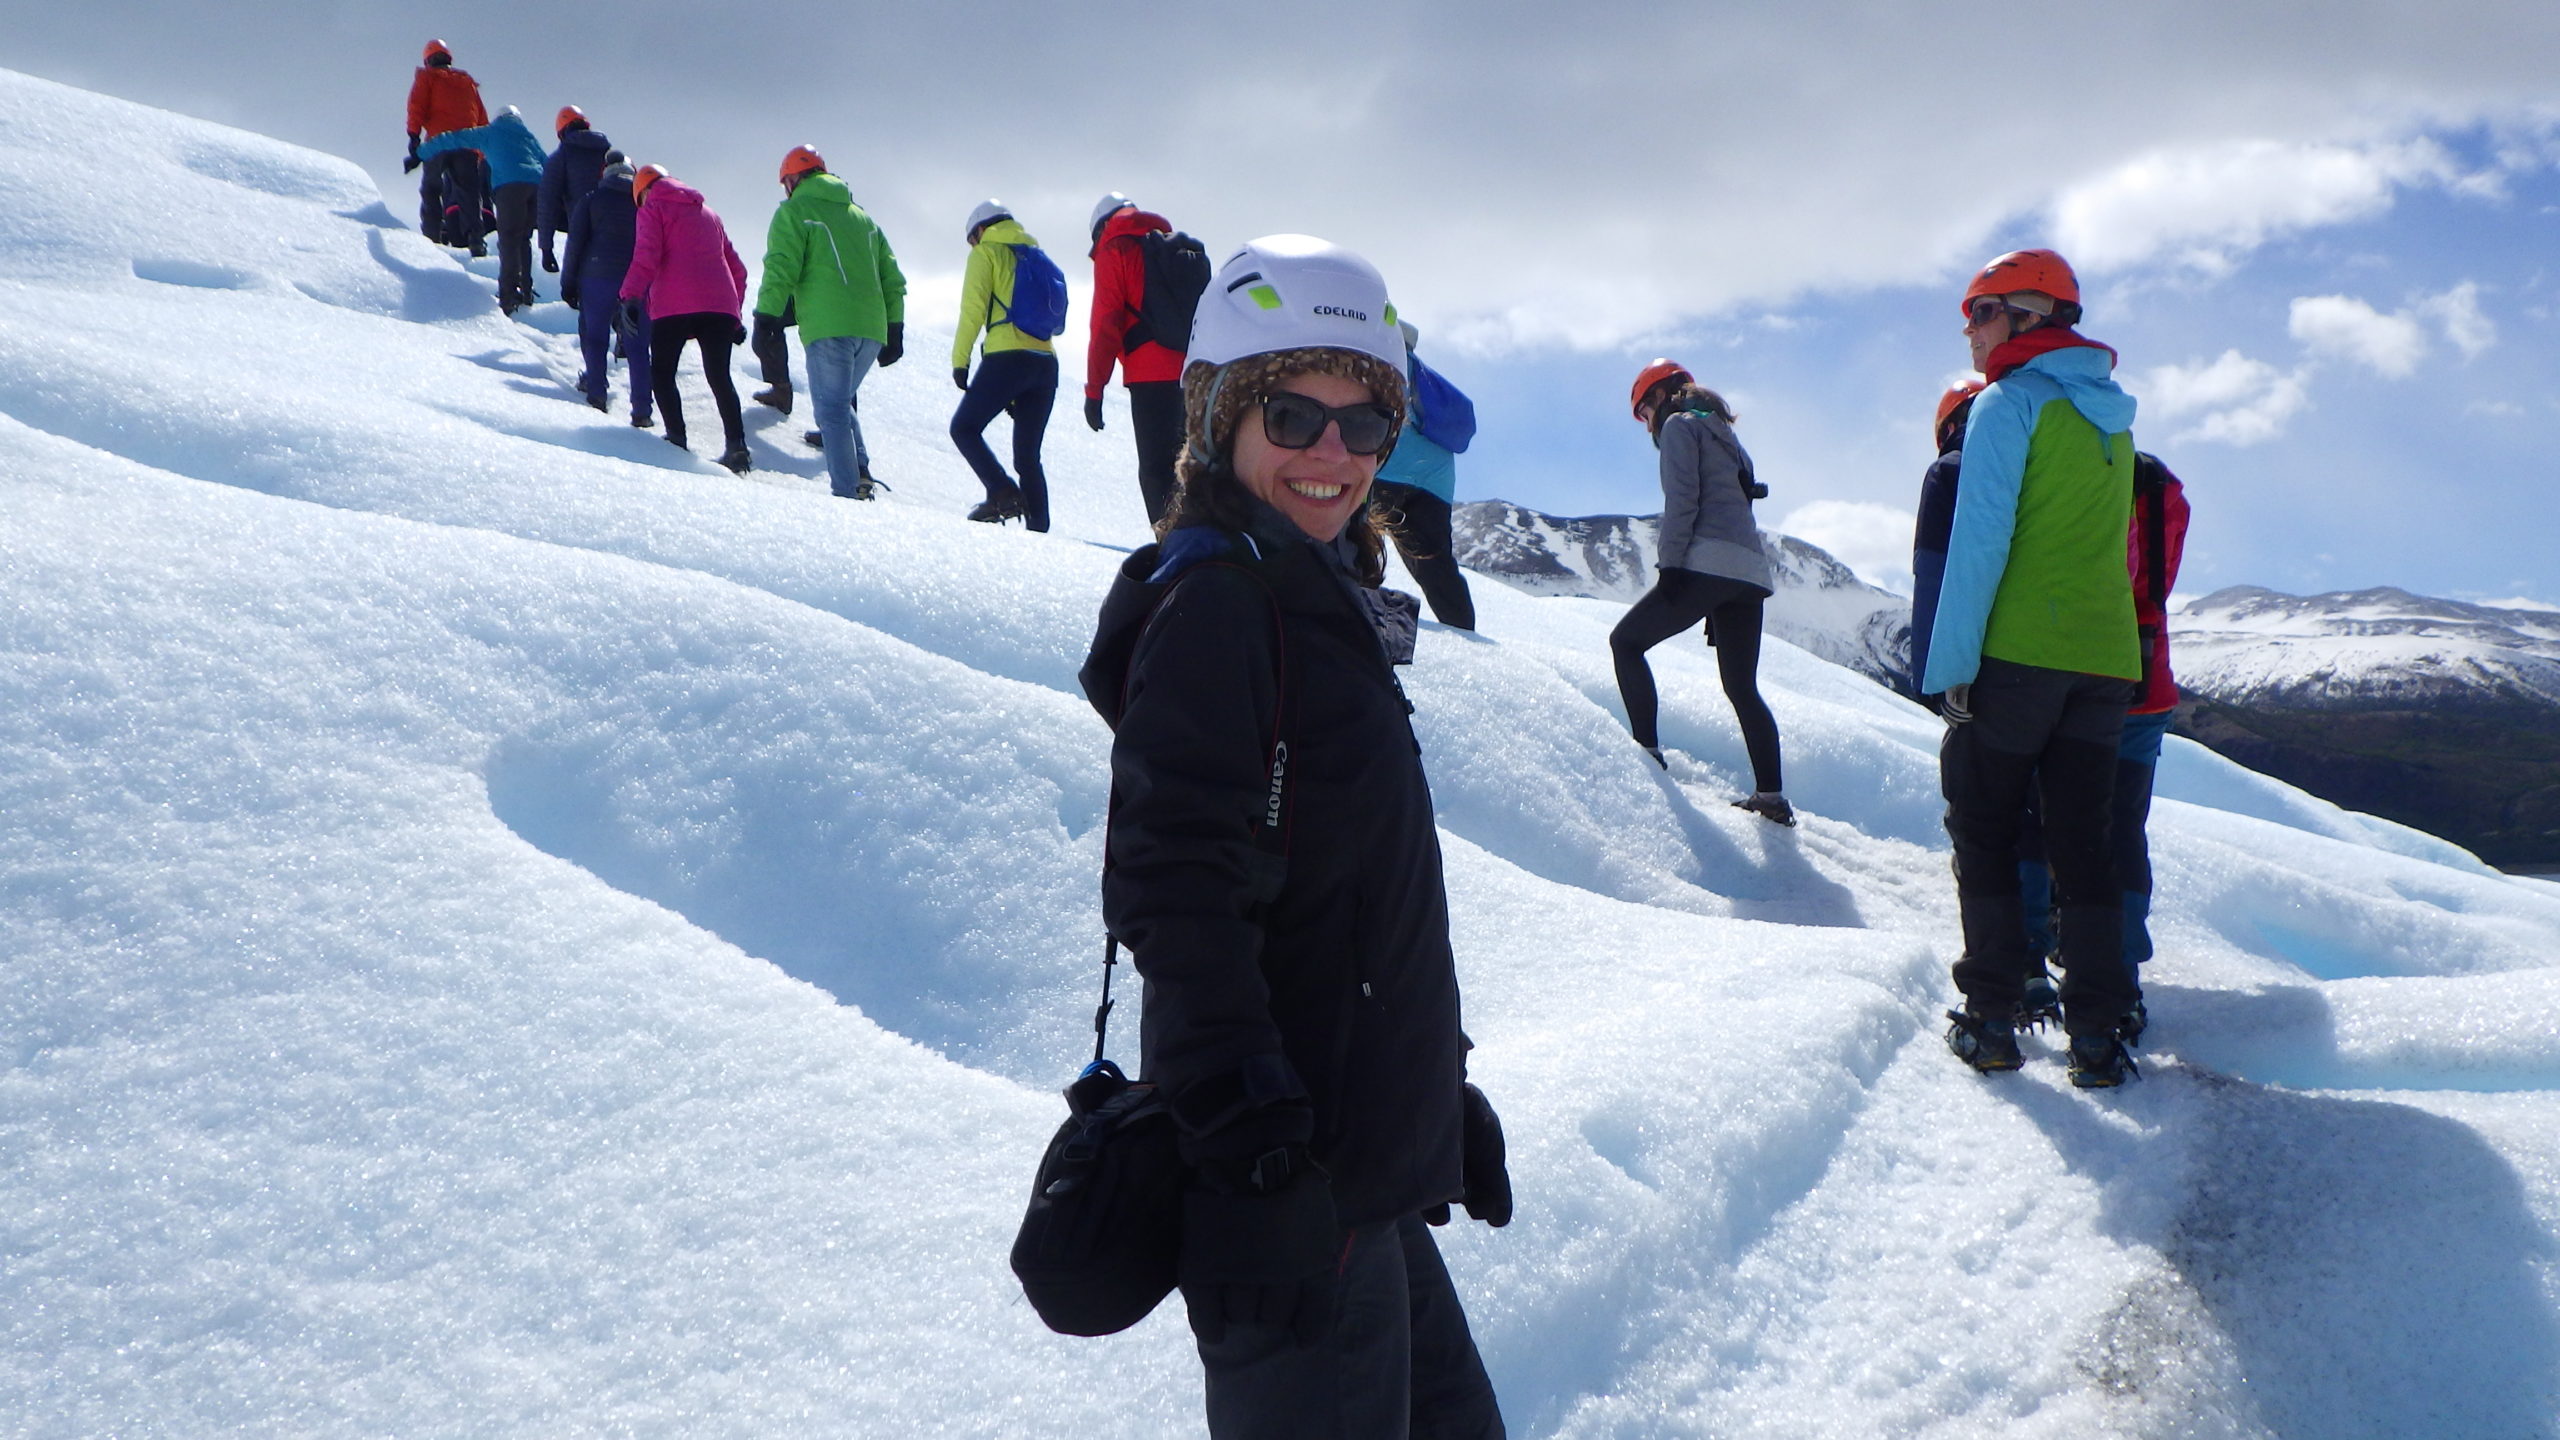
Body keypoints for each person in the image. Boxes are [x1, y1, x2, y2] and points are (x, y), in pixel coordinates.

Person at [1077, 234, 1507, 1440]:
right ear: (1218, 420)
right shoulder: (1220, 605)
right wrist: (1254, 1153)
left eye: (1364, 423)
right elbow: (1173, 893)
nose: (1332, 451)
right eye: (1292, 412)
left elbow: (1358, 891)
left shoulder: (1308, 592)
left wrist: (1435, 1096)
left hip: (1357, 1164)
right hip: (1286, 1185)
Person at [1923, 247, 2143, 1088]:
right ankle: (2095, 1037)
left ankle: (1990, 1021)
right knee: (2083, 845)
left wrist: (1953, 668)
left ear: (2028, 312)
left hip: (2019, 656)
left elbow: (1981, 543)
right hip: (2103, 660)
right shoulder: (2113, 420)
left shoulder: (2007, 406)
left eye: (1981, 312)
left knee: (1982, 828)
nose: (1972, 332)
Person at [1610, 360, 1792, 826]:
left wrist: (1671, 566)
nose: (1645, 423)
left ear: (1656, 398)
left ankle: (1647, 757)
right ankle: (1772, 798)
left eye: (1642, 412)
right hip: (1749, 574)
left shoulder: (1678, 428)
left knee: (1626, 643)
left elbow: (1682, 500)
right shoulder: (1729, 439)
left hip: (1705, 563)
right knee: (1741, 687)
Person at [752, 144, 907, 500]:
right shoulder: (863, 218)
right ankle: (861, 468)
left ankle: (848, 493)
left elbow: (782, 266)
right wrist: (895, 328)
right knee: (840, 400)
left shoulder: (796, 211)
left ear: (791, 179)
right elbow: (892, 278)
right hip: (872, 330)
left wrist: (766, 316)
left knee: (831, 410)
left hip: (828, 326)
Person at [618, 165, 752, 473]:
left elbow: (647, 255)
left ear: (643, 192)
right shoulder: (709, 213)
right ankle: (737, 447)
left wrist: (630, 296)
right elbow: (738, 270)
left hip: (674, 305)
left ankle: (676, 442)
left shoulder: (653, 207)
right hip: (719, 306)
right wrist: (734, 314)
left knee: (662, 374)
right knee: (720, 377)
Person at [1083, 193, 1197, 525]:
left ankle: (1171, 552)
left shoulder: (1115, 246)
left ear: (1101, 226)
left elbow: (1105, 325)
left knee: (1155, 471)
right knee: (1188, 465)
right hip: (1193, 371)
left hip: (1149, 374)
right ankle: (1202, 546)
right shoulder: (1170, 246)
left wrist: (1094, 391)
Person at [950, 200, 1061, 530]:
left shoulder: (986, 252)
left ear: (981, 229)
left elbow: (972, 310)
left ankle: (1002, 492)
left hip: (1008, 357)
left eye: (972, 238)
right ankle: (1038, 530)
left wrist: (960, 360)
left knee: (964, 428)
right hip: (1046, 364)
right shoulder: (1037, 256)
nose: (973, 245)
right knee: (1028, 456)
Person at [1372, 320, 1477, 630]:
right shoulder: (1427, 379)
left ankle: (1358, 619)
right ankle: (1464, 633)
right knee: (1436, 565)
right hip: (1436, 483)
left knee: (1354, 543)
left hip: (1386, 470)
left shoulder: (1381, 363)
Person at [415, 106, 549, 313]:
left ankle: (507, 298)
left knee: (508, 240)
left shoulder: (489, 132)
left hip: (509, 187)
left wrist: (423, 151)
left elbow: (455, 138)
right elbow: (546, 163)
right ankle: (526, 291)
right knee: (523, 239)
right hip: (536, 188)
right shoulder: (528, 137)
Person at [562, 158, 649, 424]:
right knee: (638, 347)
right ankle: (642, 411)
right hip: (636, 280)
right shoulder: (643, 203)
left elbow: (575, 243)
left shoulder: (592, 199)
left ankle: (597, 393)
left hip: (597, 277)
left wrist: (568, 283)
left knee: (596, 337)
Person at [402, 39, 487, 254]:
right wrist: (482, 149)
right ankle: (476, 240)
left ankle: (432, 238)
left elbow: (416, 106)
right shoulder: (467, 82)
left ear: (428, 60)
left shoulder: (427, 77)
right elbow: (481, 117)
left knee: (431, 189)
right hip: (466, 145)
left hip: (438, 143)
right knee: (469, 194)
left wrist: (414, 137)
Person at [537, 106, 612, 280]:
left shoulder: (561, 156)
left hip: (583, 232)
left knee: (587, 290)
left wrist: (546, 248)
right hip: (619, 231)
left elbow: (548, 202)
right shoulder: (608, 153)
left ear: (562, 132)